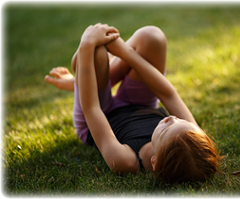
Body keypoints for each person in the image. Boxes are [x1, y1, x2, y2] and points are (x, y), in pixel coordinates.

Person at [45, 23, 219, 183]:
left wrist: (87, 43)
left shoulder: (125, 161)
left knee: (95, 53)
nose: (172, 117)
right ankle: (83, 80)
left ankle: (81, 82)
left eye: (167, 126)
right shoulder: (192, 136)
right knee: (152, 37)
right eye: (180, 121)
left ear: (154, 162)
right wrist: (122, 50)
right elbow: (168, 95)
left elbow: (91, 108)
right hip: (138, 104)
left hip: (100, 114)